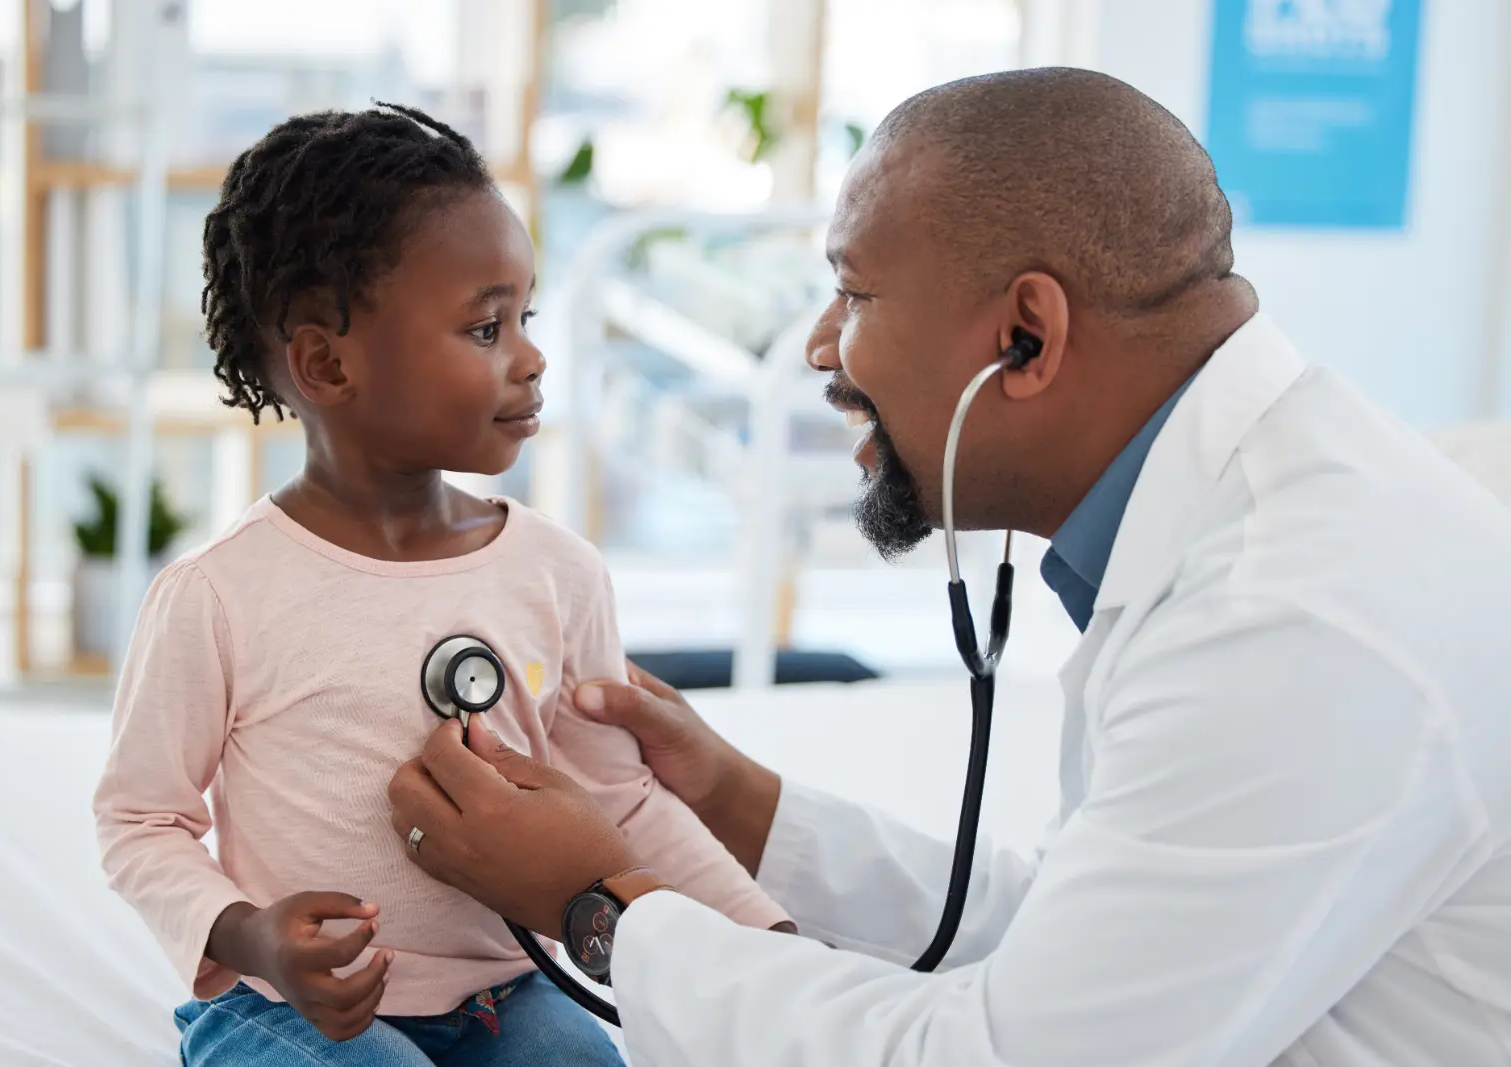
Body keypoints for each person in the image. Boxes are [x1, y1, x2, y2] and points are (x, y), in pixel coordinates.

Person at [386, 68, 1511, 1066]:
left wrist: (596, 905)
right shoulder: (1253, 513)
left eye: (855, 291)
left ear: (1026, 334)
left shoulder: (1294, 618)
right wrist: (737, 802)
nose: (823, 341)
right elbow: (1083, 939)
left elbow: (1002, 1050)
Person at [92, 104, 790, 1067]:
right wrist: (254, 935)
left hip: (504, 996)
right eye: (485, 326)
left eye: (525, 318)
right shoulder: (220, 595)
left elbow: (619, 804)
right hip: (287, 1010)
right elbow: (140, 820)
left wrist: (768, 940)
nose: (532, 356)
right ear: (327, 362)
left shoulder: (557, 572)